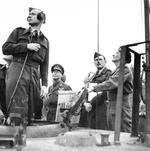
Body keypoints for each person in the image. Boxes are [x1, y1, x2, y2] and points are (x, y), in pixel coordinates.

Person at [2, 7, 49, 125]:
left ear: (41, 18)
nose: (29, 16)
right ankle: (14, 129)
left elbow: (45, 64)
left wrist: (44, 85)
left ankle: (28, 134)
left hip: (34, 72)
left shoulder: (45, 40)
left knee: (32, 106)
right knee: (16, 105)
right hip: (18, 67)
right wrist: (26, 46)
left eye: (33, 14)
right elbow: (5, 48)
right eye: (29, 14)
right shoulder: (18, 32)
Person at [87, 49, 133, 132]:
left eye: (117, 52)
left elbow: (112, 82)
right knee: (112, 133)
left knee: (123, 133)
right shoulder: (117, 70)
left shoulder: (125, 69)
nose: (113, 54)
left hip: (121, 106)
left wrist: (94, 88)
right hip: (112, 106)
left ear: (123, 56)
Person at [79, 52, 112, 129]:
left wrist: (91, 102)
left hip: (103, 107)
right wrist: (85, 103)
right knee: (91, 130)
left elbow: (107, 90)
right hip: (91, 108)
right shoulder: (92, 75)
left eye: (100, 59)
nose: (98, 61)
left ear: (105, 61)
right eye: (96, 60)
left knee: (102, 131)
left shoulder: (109, 73)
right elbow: (85, 90)